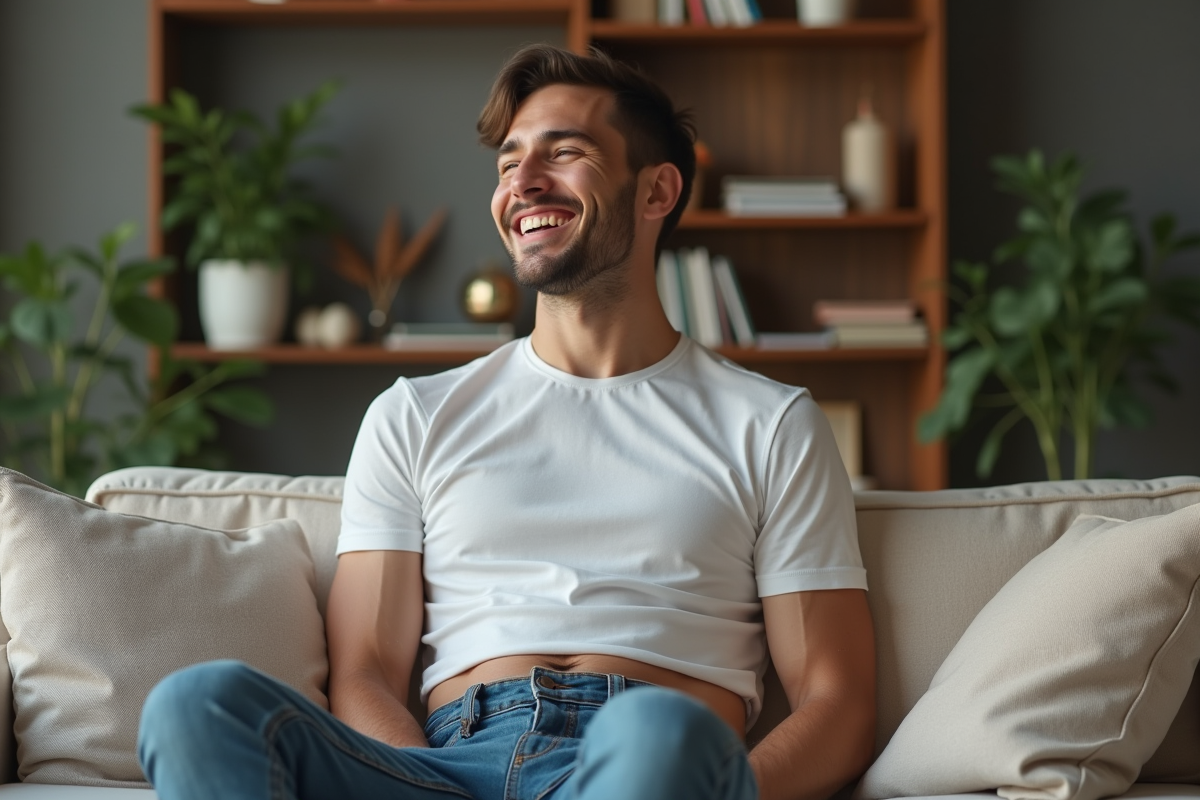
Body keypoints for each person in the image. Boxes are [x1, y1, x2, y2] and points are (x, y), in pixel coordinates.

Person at [137, 44, 876, 800]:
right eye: (508, 162)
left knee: (655, 731)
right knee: (197, 705)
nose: (522, 182)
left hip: (649, 764)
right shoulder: (413, 416)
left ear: (657, 192)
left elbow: (838, 702)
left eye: (565, 152)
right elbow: (364, 674)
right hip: (450, 765)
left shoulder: (773, 424)